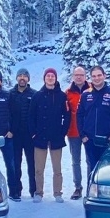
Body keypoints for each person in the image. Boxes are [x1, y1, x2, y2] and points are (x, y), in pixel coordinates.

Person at [77, 65, 110, 188]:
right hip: (90, 140)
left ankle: (108, 195)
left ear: (104, 76)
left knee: (107, 169)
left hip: (107, 140)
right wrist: (82, 135)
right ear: (90, 78)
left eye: (99, 75)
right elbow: (79, 115)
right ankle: (91, 192)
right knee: (92, 168)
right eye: (94, 76)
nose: (97, 78)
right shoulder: (85, 95)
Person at [28, 68, 70, 202]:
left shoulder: (62, 96)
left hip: (56, 138)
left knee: (57, 168)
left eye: (52, 76)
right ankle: (39, 192)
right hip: (40, 138)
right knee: (39, 168)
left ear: (56, 78)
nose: (50, 78)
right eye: (48, 76)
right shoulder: (37, 95)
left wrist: (63, 132)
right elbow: (31, 116)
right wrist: (33, 133)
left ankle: (58, 193)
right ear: (44, 78)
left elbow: (67, 116)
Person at [7, 68, 37, 202]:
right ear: (16, 78)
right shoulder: (10, 95)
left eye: (25, 76)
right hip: (15, 136)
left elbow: (38, 115)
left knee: (32, 164)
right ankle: (16, 190)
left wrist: (36, 132)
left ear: (28, 79)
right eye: (20, 76)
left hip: (30, 136)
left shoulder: (34, 94)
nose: (22, 78)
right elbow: (6, 115)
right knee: (15, 164)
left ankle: (34, 190)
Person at [65, 65, 90, 199]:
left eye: (81, 75)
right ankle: (78, 187)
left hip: (89, 132)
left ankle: (91, 187)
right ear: (73, 77)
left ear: (85, 76)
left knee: (90, 161)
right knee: (76, 161)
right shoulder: (68, 93)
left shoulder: (92, 89)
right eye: (76, 75)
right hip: (73, 132)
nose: (79, 77)